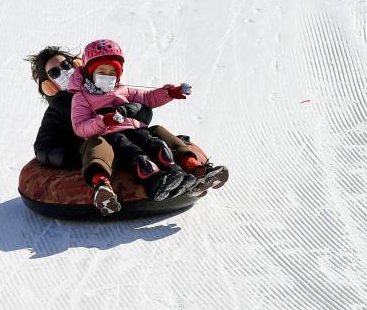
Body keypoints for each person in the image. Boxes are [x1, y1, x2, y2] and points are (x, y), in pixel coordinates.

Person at [26, 44, 228, 216]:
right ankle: (105, 185)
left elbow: (145, 107)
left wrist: (129, 109)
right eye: (55, 72)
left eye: (66, 65)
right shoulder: (59, 110)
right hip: (101, 149)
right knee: (100, 144)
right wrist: (73, 158)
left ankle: (194, 168)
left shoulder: (109, 86)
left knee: (156, 133)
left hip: (131, 133)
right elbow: (45, 147)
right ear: (49, 85)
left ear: (78, 64)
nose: (64, 72)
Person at [70, 39, 196, 204]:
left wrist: (170, 93)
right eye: (101, 72)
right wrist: (103, 121)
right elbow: (80, 127)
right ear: (89, 72)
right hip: (111, 135)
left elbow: (148, 98)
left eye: (112, 73)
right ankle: (155, 183)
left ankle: (177, 174)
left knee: (157, 144)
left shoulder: (124, 90)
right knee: (134, 152)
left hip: (136, 129)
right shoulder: (82, 98)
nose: (107, 77)